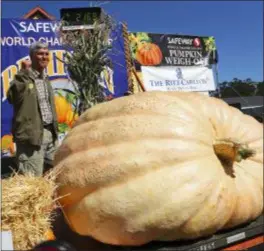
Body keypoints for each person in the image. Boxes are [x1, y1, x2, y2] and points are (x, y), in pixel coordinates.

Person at [7, 42, 58, 176]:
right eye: (40, 54)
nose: (44, 57)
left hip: (50, 134)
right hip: (32, 137)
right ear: (32, 56)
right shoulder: (24, 78)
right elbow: (13, 96)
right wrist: (23, 72)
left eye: (46, 54)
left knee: (56, 176)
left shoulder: (45, 79)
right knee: (32, 181)